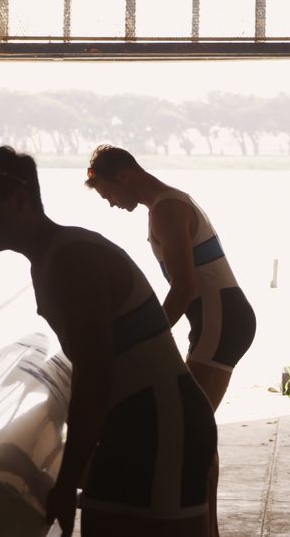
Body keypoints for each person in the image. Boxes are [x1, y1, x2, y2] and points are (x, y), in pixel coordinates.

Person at [0, 147, 216, 536]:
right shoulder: (55, 255)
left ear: (20, 201)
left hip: (161, 423)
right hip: (137, 422)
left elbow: (95, 376)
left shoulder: (70, 260)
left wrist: (68, 476)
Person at [85, 145, 256, 535]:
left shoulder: (166, 208)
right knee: (196, 427)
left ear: (124, 176)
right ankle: (207, 527)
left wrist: (146, 339)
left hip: (219, 319)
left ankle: (201, 528)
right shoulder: (166, 204)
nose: (110, 204)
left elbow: (184, 287)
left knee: (191, 429)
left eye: (108, 193)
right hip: (217, 318)